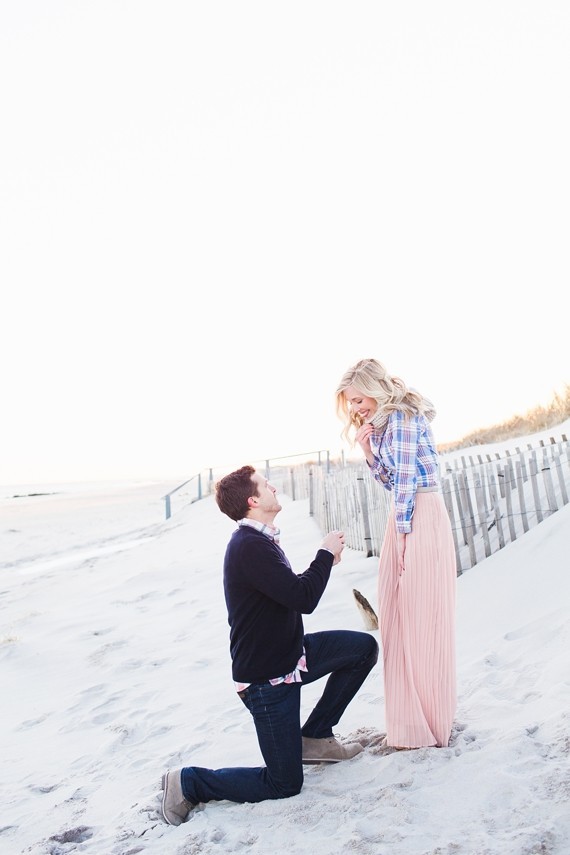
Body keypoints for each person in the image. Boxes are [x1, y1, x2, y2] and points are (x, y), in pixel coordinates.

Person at [160, 465, 379, 825]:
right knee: (285, 782)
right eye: (266, 485)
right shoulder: (248, 546)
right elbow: (303, 598)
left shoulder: (260, 539)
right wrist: (324, 555)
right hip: (265, 683)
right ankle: (188, 783)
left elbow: (288, 592)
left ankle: (316, 735)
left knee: (362, 650)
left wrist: (324, 562)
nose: (273, 487)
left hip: (294, 656)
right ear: (253, 499)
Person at [335, 358, 456, 750]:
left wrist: (403, 538)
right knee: (398, 617)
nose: (356, 409)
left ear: (375, 389)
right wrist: (369, 453)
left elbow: (405, 484)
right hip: (405, 516)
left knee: (420, 618)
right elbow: (390, 481)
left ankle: (428, 722)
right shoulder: (385, 426)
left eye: (358, 399)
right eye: (350, 404)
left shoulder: (402, 417)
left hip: (417, 515)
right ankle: (409, 722)